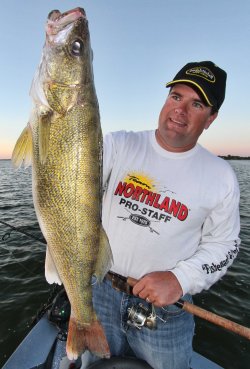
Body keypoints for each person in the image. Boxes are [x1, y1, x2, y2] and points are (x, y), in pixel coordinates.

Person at [81, 61, 241, 369]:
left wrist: (179, 280)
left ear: (211, 118)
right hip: (100, 288)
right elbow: (71, 181)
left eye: (196, 104)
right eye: (176, 96)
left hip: (165, 311)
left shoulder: (220, 176)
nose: (180, 110)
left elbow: (225, 245)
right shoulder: (118, 145)